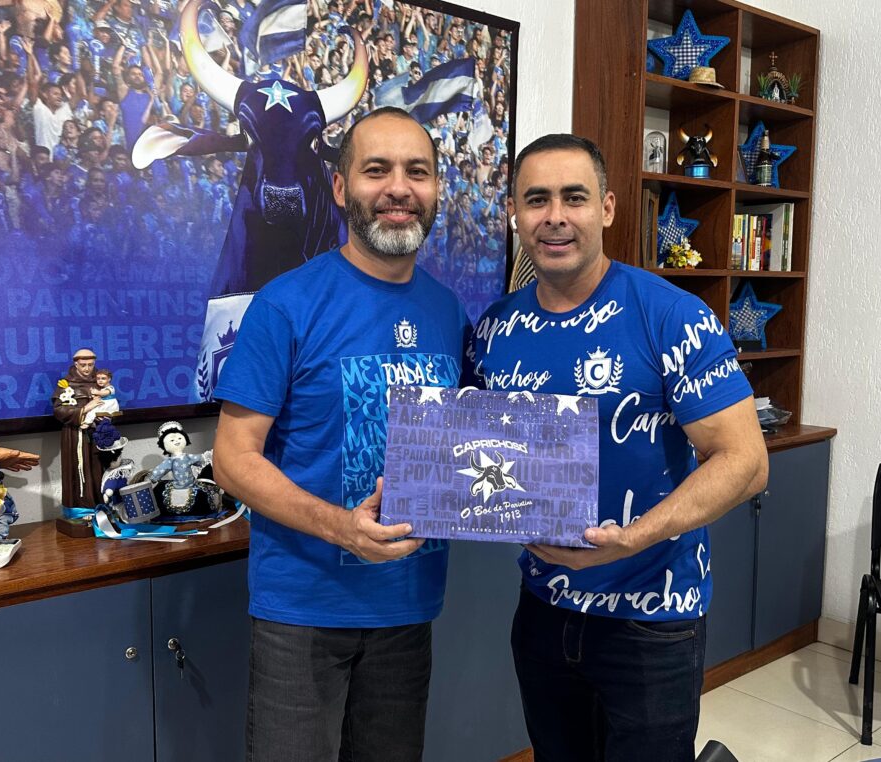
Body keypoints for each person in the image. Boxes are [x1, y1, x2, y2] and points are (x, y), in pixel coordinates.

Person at [471, 134, 768, 762]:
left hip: (651, 619)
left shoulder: (672, 316)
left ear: (606, 208)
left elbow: (746, 463)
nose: (555, 216)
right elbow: (470, 449)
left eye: (574, 197)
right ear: (514, 214)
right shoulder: (495, 330)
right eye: (536, 199)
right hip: (543, 608)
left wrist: (634, 538)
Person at [211, 107, 471, 762]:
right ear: (339, 186)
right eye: (376, 170)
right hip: (303, 609)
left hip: (409, 606)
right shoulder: (285, 303)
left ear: (436, 189)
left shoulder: (448, 310)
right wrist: (340, 528)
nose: (398, 188)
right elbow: (232, 460)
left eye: (417, 171)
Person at [51, 348, 106, 507]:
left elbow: (111, 402)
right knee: (78, 469)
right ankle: (81, 508)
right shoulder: (66, 384)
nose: (87, 369)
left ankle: (101, 505)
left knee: (98, 467)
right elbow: (59, 410)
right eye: (83, 365)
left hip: (98, 432)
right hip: (75, 434)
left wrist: (105, 415)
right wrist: (85, 409)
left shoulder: (100, 382)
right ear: (76, 364)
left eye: (90, 364)